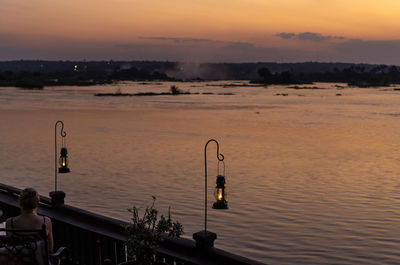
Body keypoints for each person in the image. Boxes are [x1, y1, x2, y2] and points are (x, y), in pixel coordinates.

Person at [5, 187, 54, 252]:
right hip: (38, 261)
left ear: (20, 202)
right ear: (37, 203)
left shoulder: (10, 222)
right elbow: (50, 248)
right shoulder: (46, 221)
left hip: (18, 261)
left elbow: (10, 247)